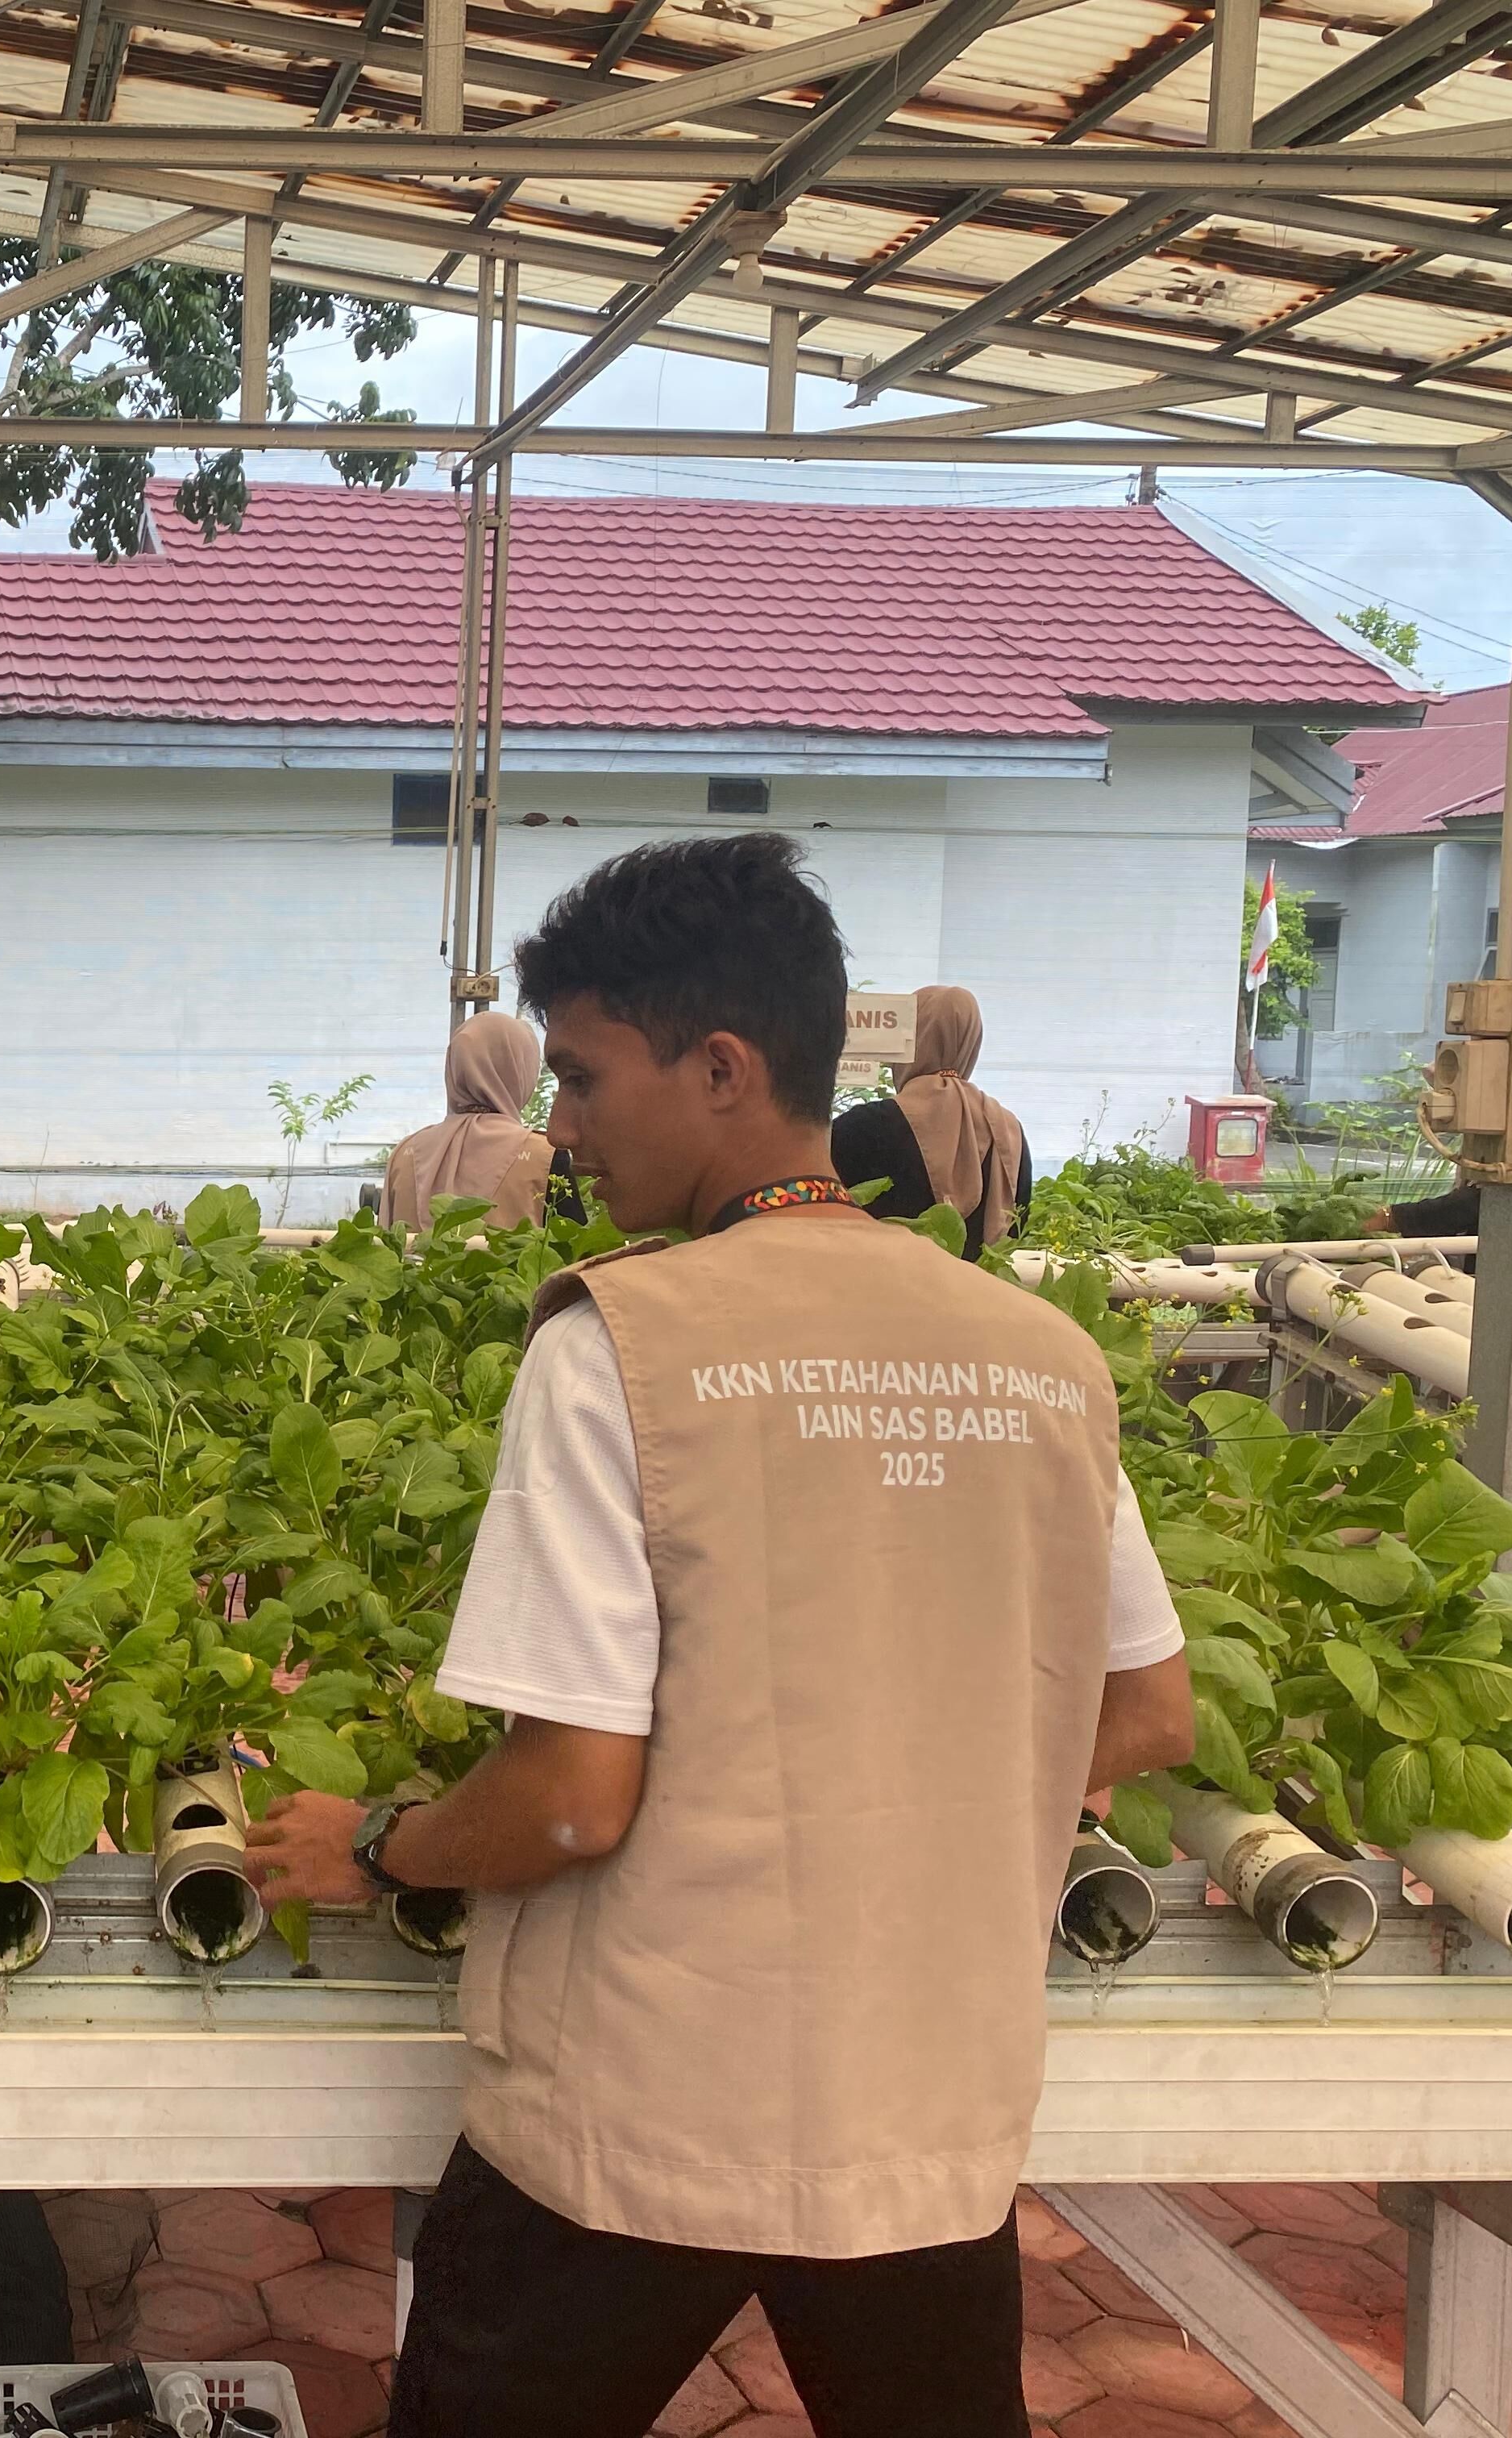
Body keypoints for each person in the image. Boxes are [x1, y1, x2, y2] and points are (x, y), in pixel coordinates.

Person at [244, 834, 1195, 2438]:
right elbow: (1152, 1711)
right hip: (922, 2122)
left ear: (725, 1068)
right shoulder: (1044, 1361)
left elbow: (568, 1798)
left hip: (645, 2121)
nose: (561, 1129)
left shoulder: (621, 1343)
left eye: (586, 1078)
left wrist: (387, 1844)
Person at [829, 984, 1031, 1258]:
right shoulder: (1010, 1132)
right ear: (972, 1041)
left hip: (878, 1292)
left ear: (907, 1039)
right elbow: (1017, 1230)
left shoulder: (860, 1128)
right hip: (976, 1294)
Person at [380, 1011, 568, 1233]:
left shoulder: (405, 1153)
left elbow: (387, 1250)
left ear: (453, 1065)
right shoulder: (544, 1156)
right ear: (520, 1071)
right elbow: (582, 1257)